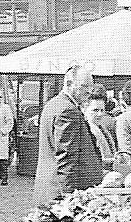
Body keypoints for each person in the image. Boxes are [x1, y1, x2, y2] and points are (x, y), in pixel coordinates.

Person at [33, 62, 104, 206]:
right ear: (69, 83)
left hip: (52, 189)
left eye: (91, 86)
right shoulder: (67, 110)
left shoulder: (54, 104)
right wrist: (69, 198)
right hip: (60, 196)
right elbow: (66, 156)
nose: (89, 91)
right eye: (85, 86)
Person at [84, 95, 117, 171]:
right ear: (85, 109)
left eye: (102, 110)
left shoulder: (102, 128)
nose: (100, 114)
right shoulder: (85, 130)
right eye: (95, 110)